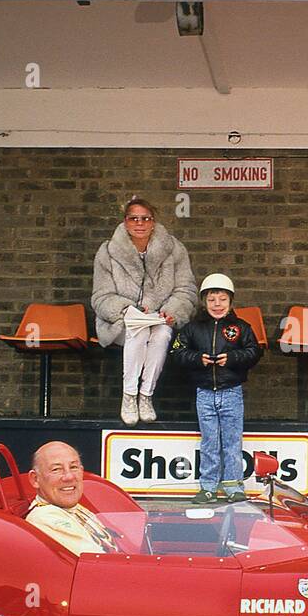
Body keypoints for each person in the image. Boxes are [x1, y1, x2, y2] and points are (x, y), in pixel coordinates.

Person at [91, 197, 197, 426]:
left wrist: (172, 311)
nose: (140, 223)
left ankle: (146, 395)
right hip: (119, 323)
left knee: (161, 333)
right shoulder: (107, 252)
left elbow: (186, 289)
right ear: (125, 222)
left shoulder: (174, 249)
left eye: (145, 218)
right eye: (134, 218)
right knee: (138, 331)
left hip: (158, 320)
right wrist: (127, 310)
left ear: (153, 221)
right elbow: (100, 297)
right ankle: (129, 396)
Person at [171, 274, 263, 503]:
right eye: (212, 299)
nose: (217, 304)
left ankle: (234, 487)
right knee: (210, 441)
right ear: (204, 301)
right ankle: (208, 487)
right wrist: (197, 359)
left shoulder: (242, 327)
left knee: (232, 442)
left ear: (231, 302)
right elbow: (176, 352)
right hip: (203, 393)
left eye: (222, 299)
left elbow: (254, 352)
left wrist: (231, 358)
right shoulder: (192, 328)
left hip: (231, 391)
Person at [24, 441, 121, 555]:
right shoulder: (46, 517)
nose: (69, 476)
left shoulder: (69, 507)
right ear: (35, 479)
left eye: (73, 467)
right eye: (56, 469)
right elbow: (100, 564)